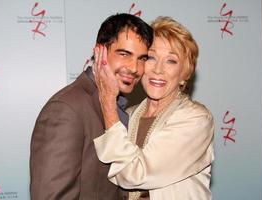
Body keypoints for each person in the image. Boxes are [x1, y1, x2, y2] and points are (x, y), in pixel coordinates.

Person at [30, 13, 153, 200]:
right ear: (99, 52)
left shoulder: (119, 106)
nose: (134, 68)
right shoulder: (66, 109)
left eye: (142, 58)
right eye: (124, 54)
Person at [93, 16, 215, 200]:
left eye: (171, 61)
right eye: (150, 57)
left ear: (185, 73)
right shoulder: (127, 114)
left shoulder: (196, 119)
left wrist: (108, 103)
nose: (158, 69)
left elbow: (134, 174)